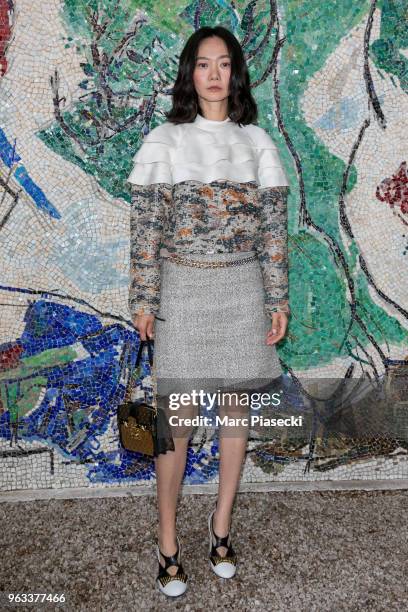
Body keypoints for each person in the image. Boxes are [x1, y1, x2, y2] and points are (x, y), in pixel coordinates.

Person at [126, 25, 290, 597]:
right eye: (202, 64)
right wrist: (144, 300)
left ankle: (221, 526)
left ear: (236, 73)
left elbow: (273, 233)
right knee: (177, 426)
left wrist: (277, 298)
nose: (214, 73)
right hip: (183, 295)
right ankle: (167, 538)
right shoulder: (163, 143)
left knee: (237, 414)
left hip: (244, 293)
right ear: (189, 74)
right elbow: (146, 232)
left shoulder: (258, 143)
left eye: (224, 63)